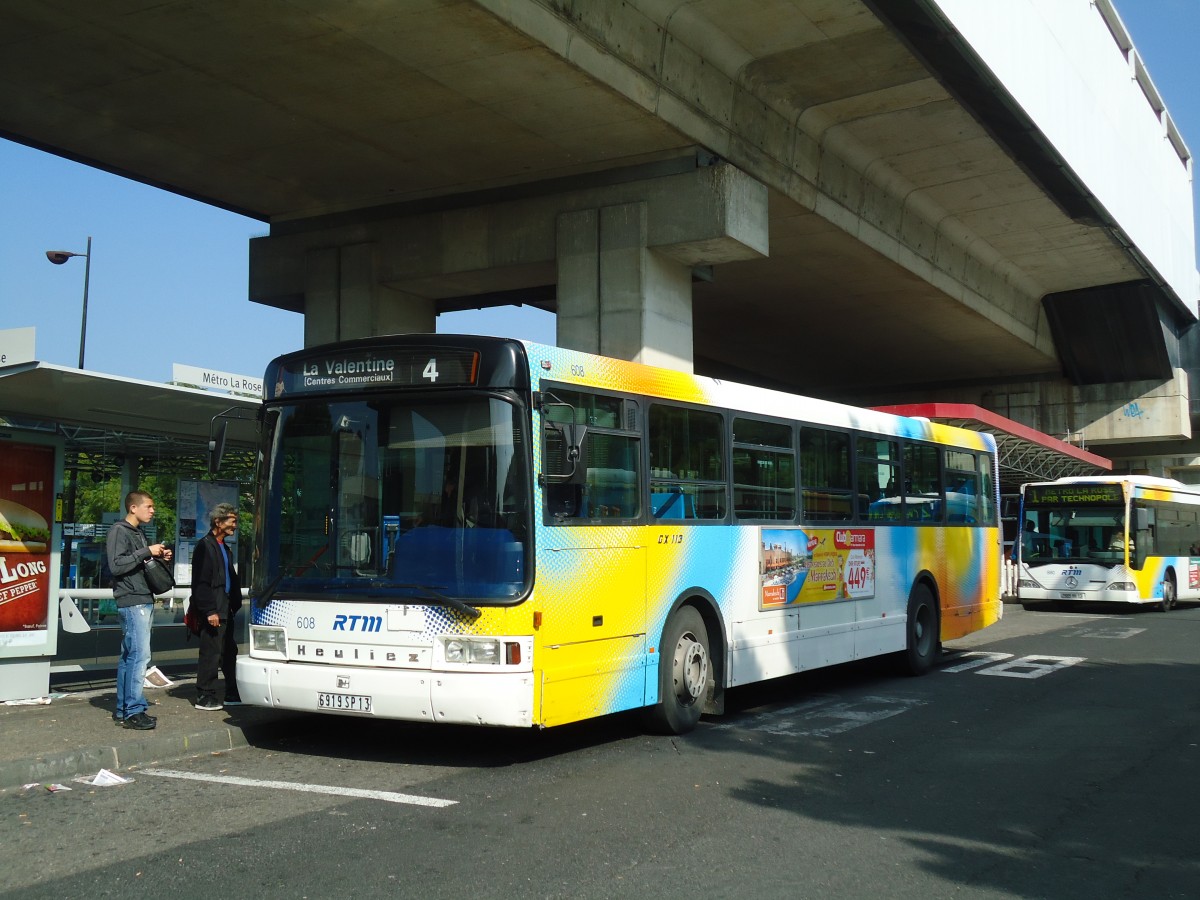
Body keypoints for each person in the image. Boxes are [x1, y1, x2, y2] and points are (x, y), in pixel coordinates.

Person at [105, 490, 173, 730]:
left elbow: (134, 562)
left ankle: (125, 709)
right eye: (149, 506)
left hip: (140, 597)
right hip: (133, 600)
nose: (152, 510)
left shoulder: (136, 533)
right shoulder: (119, 531)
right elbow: (116, 565)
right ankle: (133, 710)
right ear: (133, 508)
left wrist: (158, 555)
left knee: (130, 656)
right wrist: (146, 551)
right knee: (139, 656)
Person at [190, 502, 243, 710]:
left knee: (229, 651)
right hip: (214, 609)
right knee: (211, 652)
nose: (235, 525)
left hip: (226, 607)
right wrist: (209, 610)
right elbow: (201, 582)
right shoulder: (205, 546)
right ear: (218, 522)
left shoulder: (224, 547)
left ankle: (232, 692)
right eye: (232, 521)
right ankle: (205, 695)